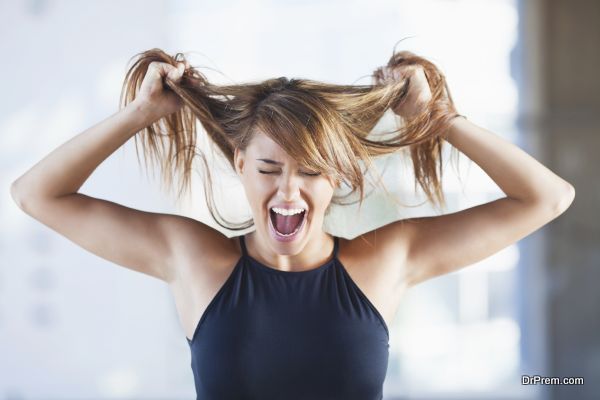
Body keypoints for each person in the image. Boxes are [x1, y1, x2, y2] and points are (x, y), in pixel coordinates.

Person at [10, 46, 575, 400]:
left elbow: (547, 198)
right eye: (268, 168)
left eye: (311, 171)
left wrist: (437, 119)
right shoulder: (192, 258)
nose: (287, 191)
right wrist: (141, 113)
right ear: (239, 164)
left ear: (338, 177)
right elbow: (36, 194)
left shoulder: (385, 260)